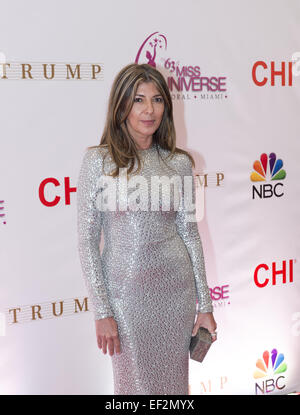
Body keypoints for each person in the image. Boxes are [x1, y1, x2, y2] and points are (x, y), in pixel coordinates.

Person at [76, 63, 217, 395]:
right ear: (121, 104)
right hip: (126, 298)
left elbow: (190, 234)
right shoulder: (98, 161)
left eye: (157, 100)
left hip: (176, 293)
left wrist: (206, 306)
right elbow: (86, 241)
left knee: (173, 389)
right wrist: (102, 309)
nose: (149, 110)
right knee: (133, 388)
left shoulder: (179, 163)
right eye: (138, 99)